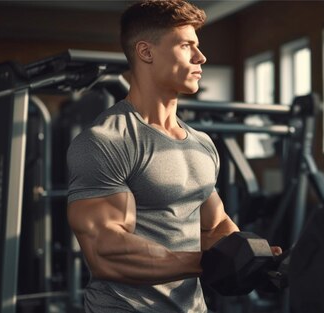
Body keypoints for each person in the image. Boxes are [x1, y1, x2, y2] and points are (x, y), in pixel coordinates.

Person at [66, 1, 280, 312]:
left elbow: (215, 225)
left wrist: (253, 258)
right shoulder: (107, 140)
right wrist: (205, 263)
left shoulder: (201, 144)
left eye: (198, 46)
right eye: (186, 45)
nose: (200, 57)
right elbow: (106, 251)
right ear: (146, 52)